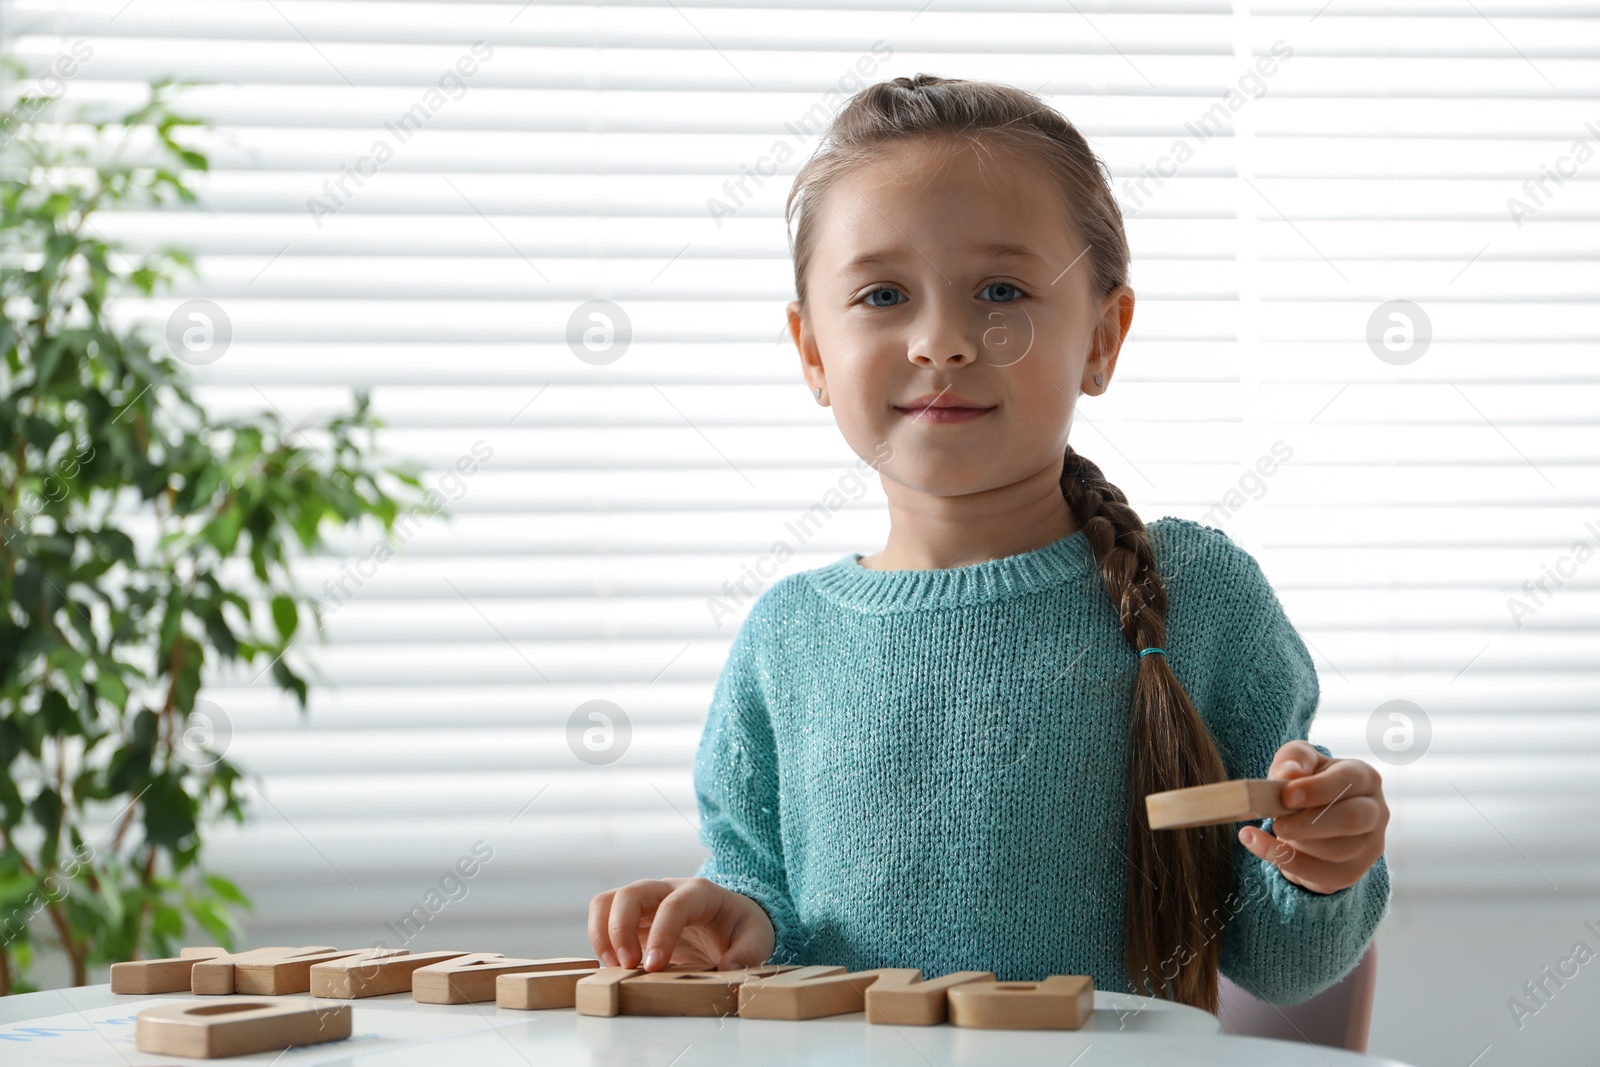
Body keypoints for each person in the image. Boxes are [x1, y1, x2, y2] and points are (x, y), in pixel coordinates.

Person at [589, 73, 1390, 1013]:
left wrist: (1323, 866)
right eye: (884, 293)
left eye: (1002, 290)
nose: (943, 340)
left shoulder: (1198, 595)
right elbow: (772, 915)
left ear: (1103, 335)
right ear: (811, 352)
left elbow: (1285, 965)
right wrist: (727, 924)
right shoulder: (784, 639)